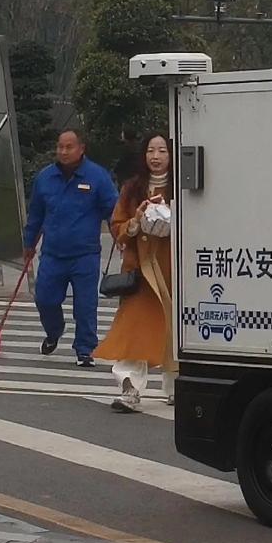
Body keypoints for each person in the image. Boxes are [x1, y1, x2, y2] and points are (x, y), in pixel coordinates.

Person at [24, 129, 119, 368]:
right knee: (44, 299)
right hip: (53, 254)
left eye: (69, 147)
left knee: (86, 305)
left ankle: (85, 349)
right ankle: (54, 331)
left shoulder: (97, 177)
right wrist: (28, 244)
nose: (63, 152)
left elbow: (113, 211)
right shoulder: (45, 178)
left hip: (85, 255)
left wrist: (121, 234)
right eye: (60, 147)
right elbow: (35, 214)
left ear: (81, 148)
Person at [95, 134, 174, 412]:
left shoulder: (184, 187)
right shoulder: (132, 188)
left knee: (173, 328)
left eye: (162, 150)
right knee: (132, 329)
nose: (156, 156)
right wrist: (136, 222)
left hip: (171, 270)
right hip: (140, 271)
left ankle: (176, 386)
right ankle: (129, 388)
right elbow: (117, 227)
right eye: (151, 150)